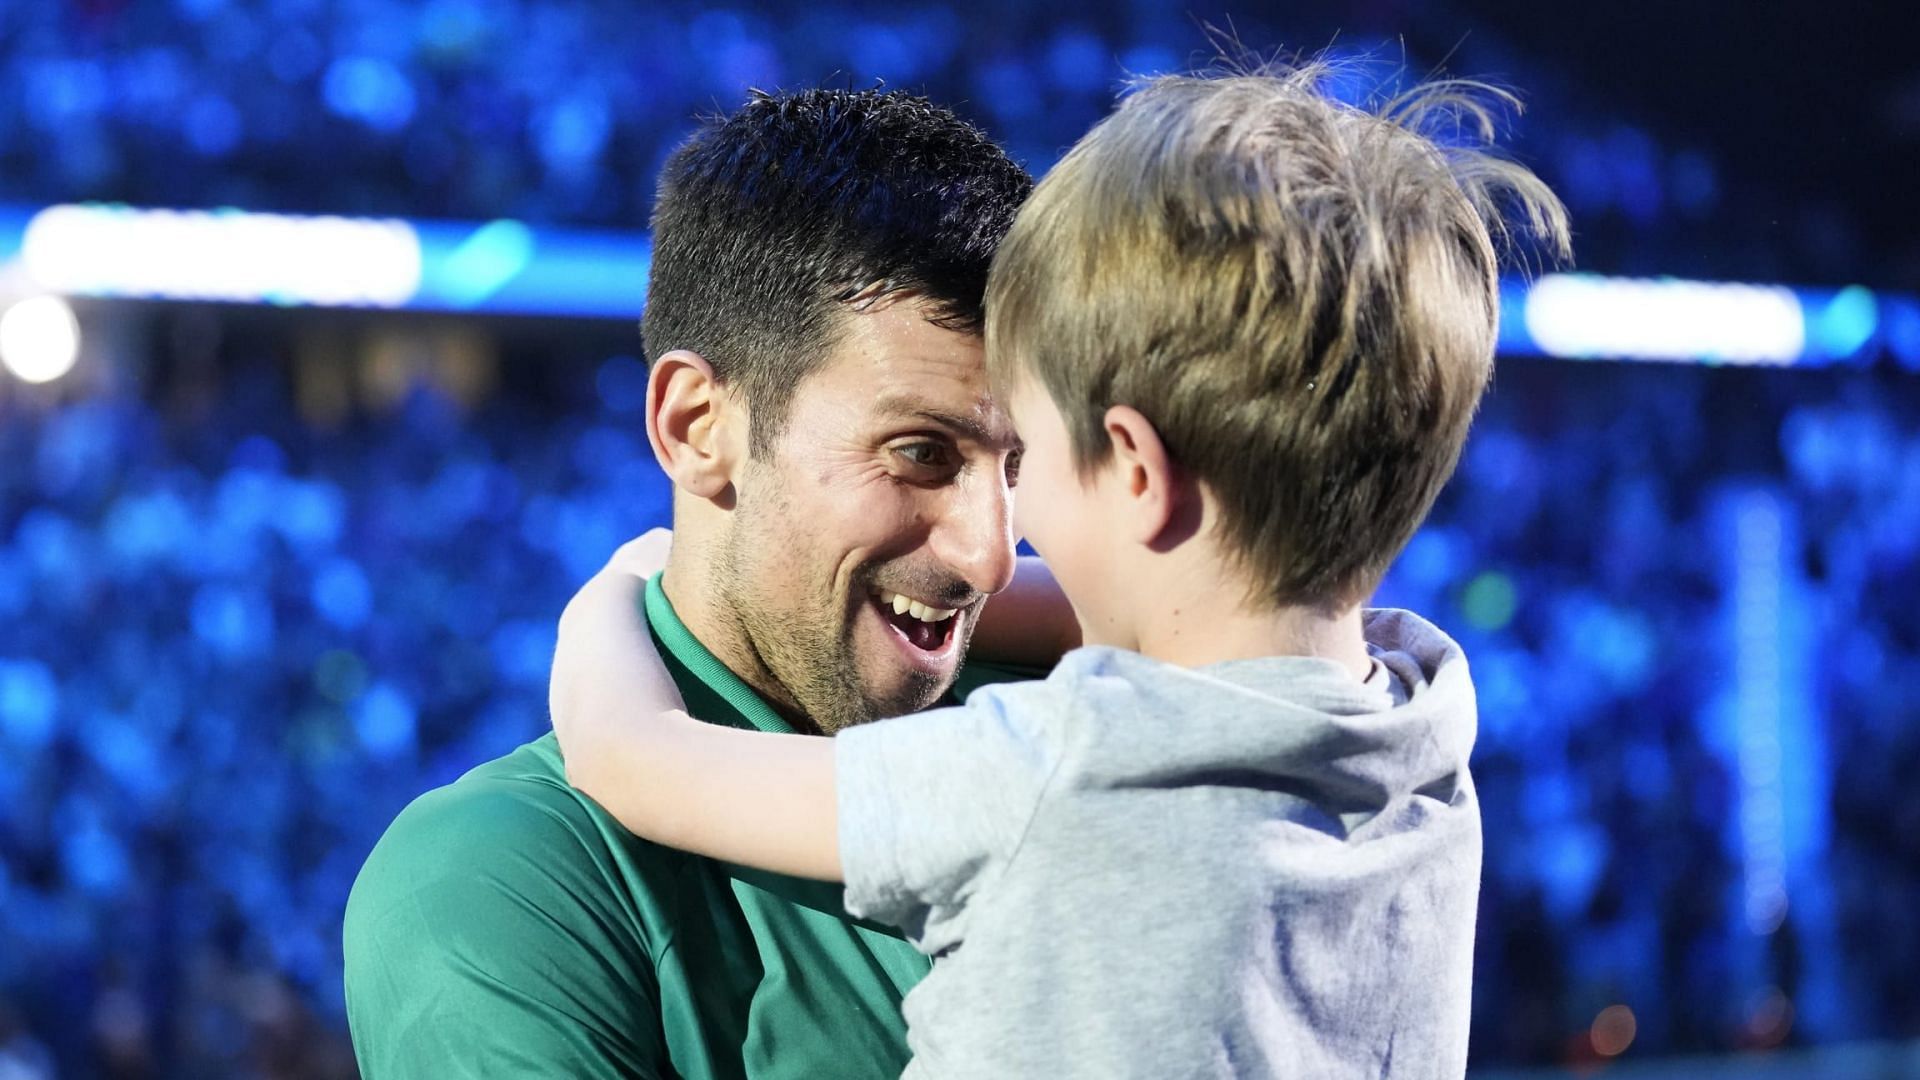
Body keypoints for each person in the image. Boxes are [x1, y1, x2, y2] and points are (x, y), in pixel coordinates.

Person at [551, 61, 1572, 1078]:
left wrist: (620, 587)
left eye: (1025, 455)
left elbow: (632, 756)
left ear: (1134, 470)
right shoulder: (1423, 734)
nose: (997, 551)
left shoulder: (1059, 767)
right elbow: (1209, 631)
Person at [342, 87, 1036, 1079]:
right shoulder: (508, 881)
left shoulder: (1102, 724)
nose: (992, 554)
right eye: (922, 452)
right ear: (697, 428)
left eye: (1019, 467)